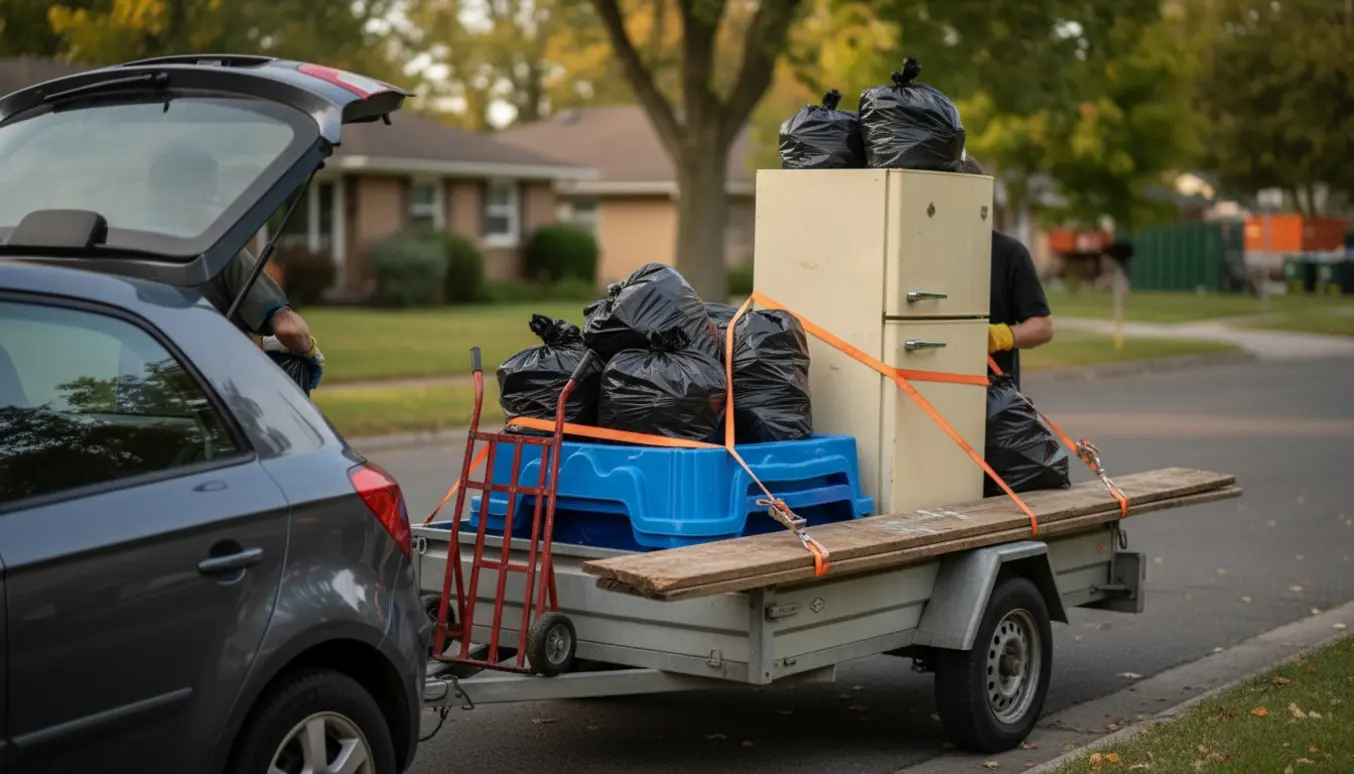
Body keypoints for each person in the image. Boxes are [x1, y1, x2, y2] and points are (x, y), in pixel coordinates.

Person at [147, 145, 325, 389]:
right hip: (206, 396)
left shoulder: (123, 248)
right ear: (203, 190)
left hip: (134, 394)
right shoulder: (218, 251)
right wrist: (309, 351)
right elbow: (289, 329)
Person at [957, 157, 1053, 389]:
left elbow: (1043, 327)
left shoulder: (1009, 252)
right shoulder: (920, 249)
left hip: (994, 395)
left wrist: (1000, 336)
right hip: (930, 390)